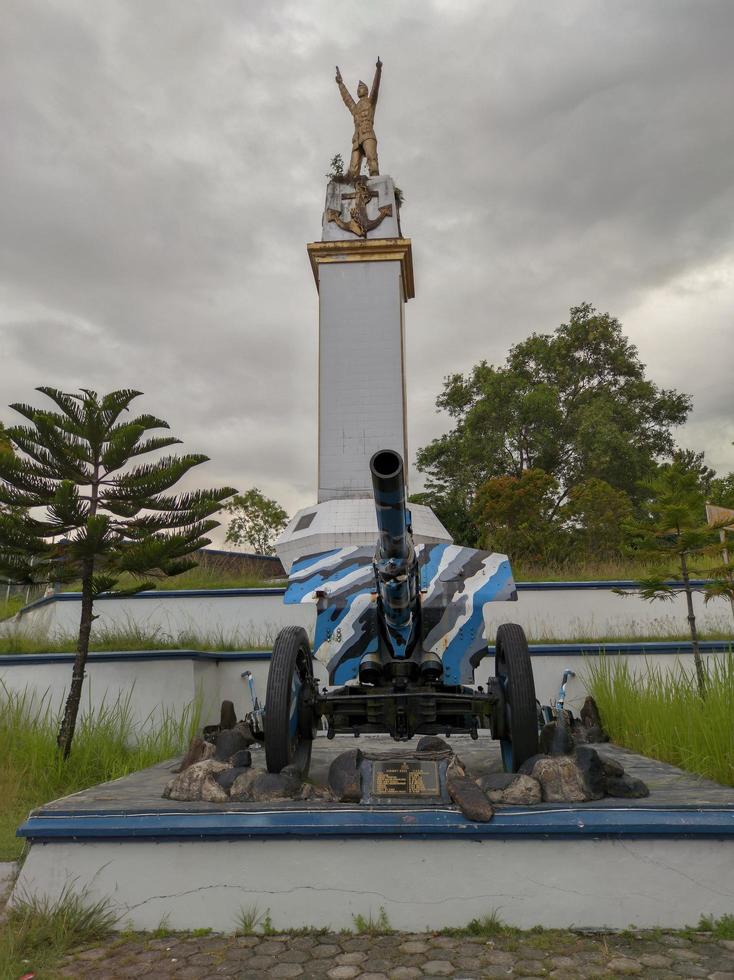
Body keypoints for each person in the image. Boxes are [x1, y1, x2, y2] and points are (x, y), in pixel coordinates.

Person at [335, 58, 382, 179]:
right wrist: (341, 84)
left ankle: (375, 179)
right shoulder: (355, 108)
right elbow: (347, 99)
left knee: (372, 160)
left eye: (362, 88)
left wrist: (378, 70)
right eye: (357, 89)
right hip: (357, 138)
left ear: (366, 91)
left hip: (368, 133)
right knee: (353, 168)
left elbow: (375, 88)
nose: (359, 89)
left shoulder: (370, 102)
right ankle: (352, 184)